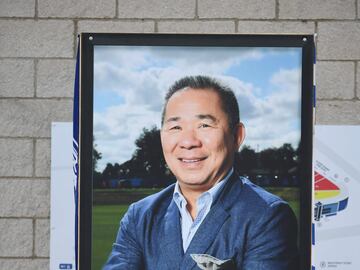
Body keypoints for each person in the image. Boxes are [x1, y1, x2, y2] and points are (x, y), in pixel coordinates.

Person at [103, 75, 299, 270]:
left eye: (204, 125)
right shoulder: (140, 216)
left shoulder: (267, 215)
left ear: (237, 136)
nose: (188, 142)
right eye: (175, 127)